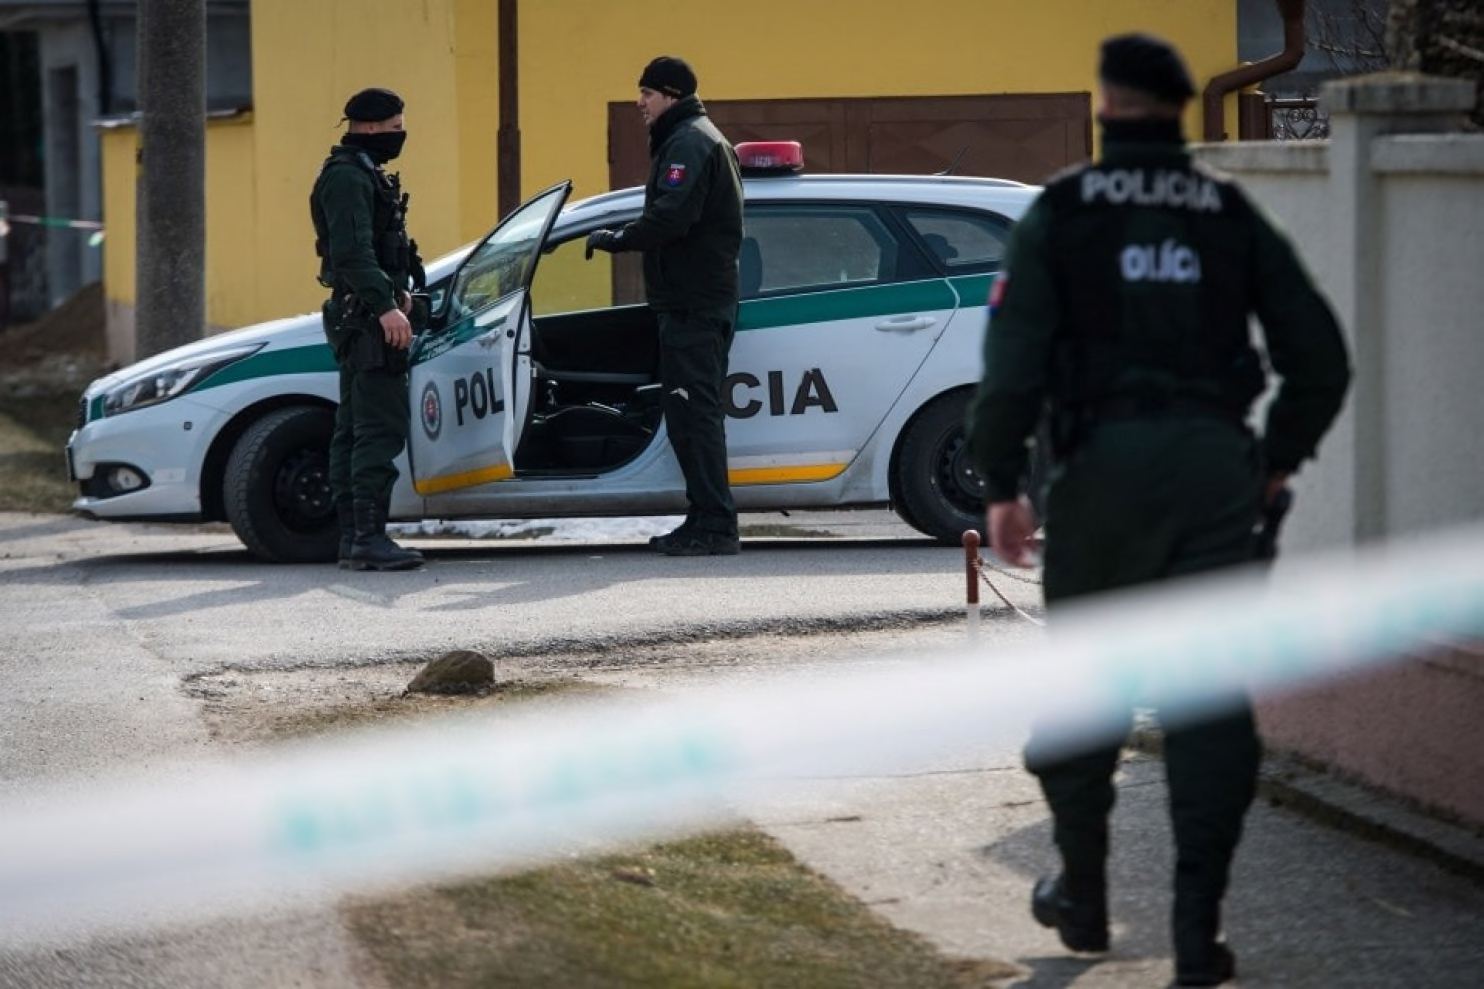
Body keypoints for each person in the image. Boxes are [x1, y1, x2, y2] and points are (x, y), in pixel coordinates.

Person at [965, 33, 1351, 986]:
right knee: (1210, 704)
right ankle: (1194, 936)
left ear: (1105, 107)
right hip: (1215, 470)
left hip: (1097, 477)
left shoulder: (1061, 212)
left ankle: (1086, 897)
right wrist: (1272, 462)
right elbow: (1322, 360)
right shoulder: (1228, 210)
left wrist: (1003, 485)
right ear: (1183, 113)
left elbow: (1010, 367)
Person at [585, 56, 745, 556]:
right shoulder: (695, 137)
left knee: (694, 417)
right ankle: (704, 516)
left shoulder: (690, 142)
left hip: (694, 306)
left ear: (671, 95)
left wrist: (615, 238)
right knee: (690, 416)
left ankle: (715, 526)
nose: (640, 103)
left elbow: (669, 219)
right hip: (696, 300)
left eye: (647, 95)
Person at [309, 87, 424, 571]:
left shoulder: (360, 173)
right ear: (373, 127)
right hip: (367, 319)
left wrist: (401, 292)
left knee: (355, 427)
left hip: (364, 313)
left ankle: (356, 538)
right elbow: (352, 253)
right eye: (396, 127)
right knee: (378, 426)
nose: (401, 136)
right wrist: (385, 308)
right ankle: (367, 539)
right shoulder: (347, 178)